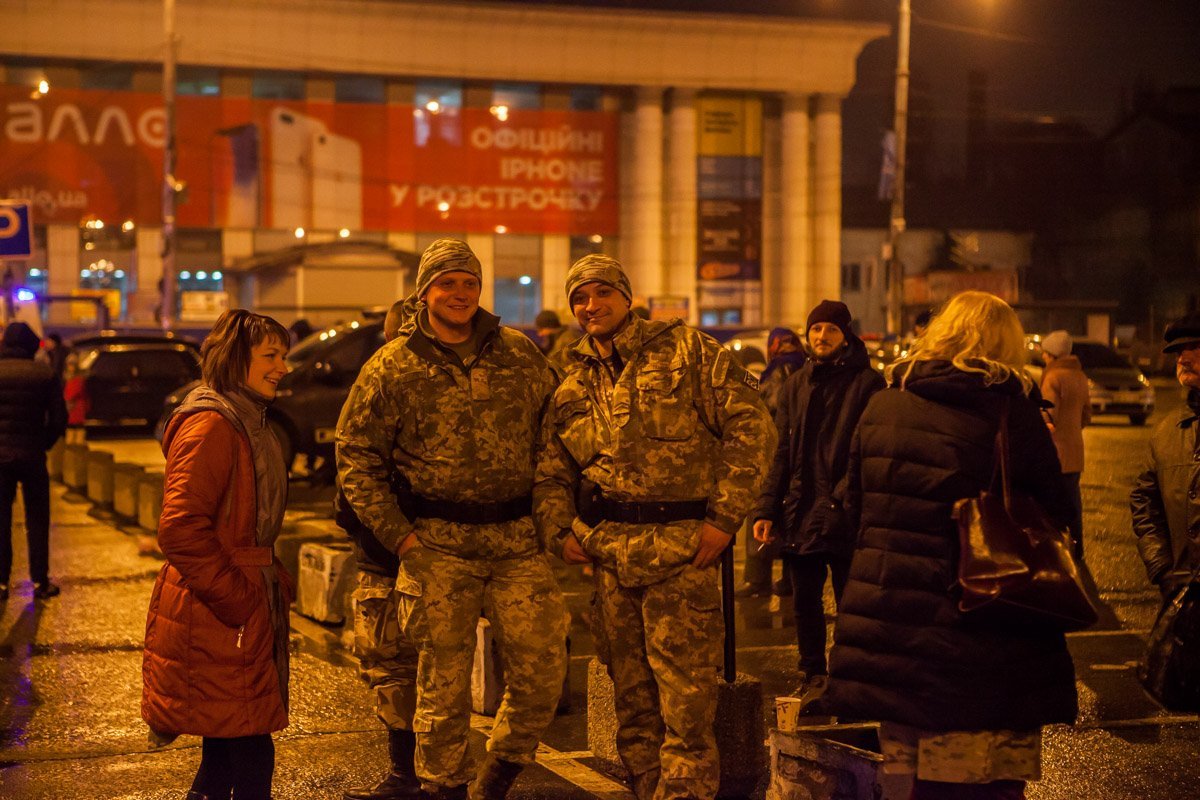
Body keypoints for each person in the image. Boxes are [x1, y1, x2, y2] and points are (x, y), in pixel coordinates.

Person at [534, 254, 776, 800]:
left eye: (602, 292)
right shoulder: (571, 381)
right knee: (633, 705)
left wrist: (724, 518)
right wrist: (559, 530)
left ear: (626, 296)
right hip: (610, 556)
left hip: (683, 551)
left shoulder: (688, 352)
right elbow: (550, 470)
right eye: (579, 298)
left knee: (687, 706)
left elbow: (752, 430)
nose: (590, 305)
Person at [337, 239, 567, 800]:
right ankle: (444, 789)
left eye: (470, 283)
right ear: (424, 292)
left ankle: (496, 777)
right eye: (447, 283)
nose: (460, 293)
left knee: (543, 676)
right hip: (437, 547)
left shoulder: (518, 353)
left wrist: (554, 518)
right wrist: (402, 539)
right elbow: (356, 456)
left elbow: (557, 436)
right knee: (441, 690)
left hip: (517, 543)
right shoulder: (392, 365)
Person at [827, 291, 1077, 800]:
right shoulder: (1010, 410)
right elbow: (1054, 514)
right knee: (981, 781)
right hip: (981, 626)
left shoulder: (884, 402)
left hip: (891, 625)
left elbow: (852, 505)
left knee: (908, 776)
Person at [142, 309, 293, 800]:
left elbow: (250, 520)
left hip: (235, 602)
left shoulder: (246, 417)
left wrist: (272, 576)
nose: (283, 367)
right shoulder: (212, 425)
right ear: (235, 359)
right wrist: (239, 600)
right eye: (271, 356)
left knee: (228, 747)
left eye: (283, 356)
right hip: (220, 609)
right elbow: (181, 528)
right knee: (249, 751)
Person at [751, 301, 884, 700]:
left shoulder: (868, 383)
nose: (822, 336)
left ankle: (852, 675)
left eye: (831, 329)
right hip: (801, 510)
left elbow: (868, 449)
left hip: (846, 511)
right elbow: (782, 451)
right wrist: (766, 508)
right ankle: (813, 674)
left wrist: (843, 499)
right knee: (804, 602)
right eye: (816, 329)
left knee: (850, 602)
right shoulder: (796, 385)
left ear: (846, 335)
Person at [339, 298, 421, 800]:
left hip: (388, 556)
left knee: (391, 666)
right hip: (425, 552)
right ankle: (427, 775)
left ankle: (407, 776)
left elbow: (351, 482)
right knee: (426, 670)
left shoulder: (378, 383)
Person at [1131, 310, 1200, 604]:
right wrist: (1162, 568)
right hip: (1184, 598)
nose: (1183, 358)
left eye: (1194, 347)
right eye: (1179, 351)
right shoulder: (1167, 431)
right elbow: (1145, 501)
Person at [736, 327, 807, 598]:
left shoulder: (779, 369)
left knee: (762, 508)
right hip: (799, 451)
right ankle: (789, 580)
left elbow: (769, 408)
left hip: (774, 449)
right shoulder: (806, 366)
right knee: (792, 515)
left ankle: (757, 579)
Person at [0, 322, 67, 601]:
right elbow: (59, 419)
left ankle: (1, 583)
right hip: (33, 456)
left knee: (1, 519)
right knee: (38, 519)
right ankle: (40, 581)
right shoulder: (45, 374)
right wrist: (43, 443)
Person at [1039, 330, 1090, 559]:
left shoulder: (1053, 377)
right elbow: (1086, 415)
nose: (1043, 357)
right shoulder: (1080, 376)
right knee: (1073, 502)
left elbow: (1048, 415)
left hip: (1055, 452)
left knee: (1052, 505)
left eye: (1045, 353)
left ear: (1052, 355)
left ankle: (1056, 554)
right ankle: (1077, 547)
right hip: (1075, 450)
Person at [534, 309, 580, 378]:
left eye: (541, 330)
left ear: (549, 326)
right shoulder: (554, 339)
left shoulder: (567, 339)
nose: (540, 334)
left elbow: (572, 369)